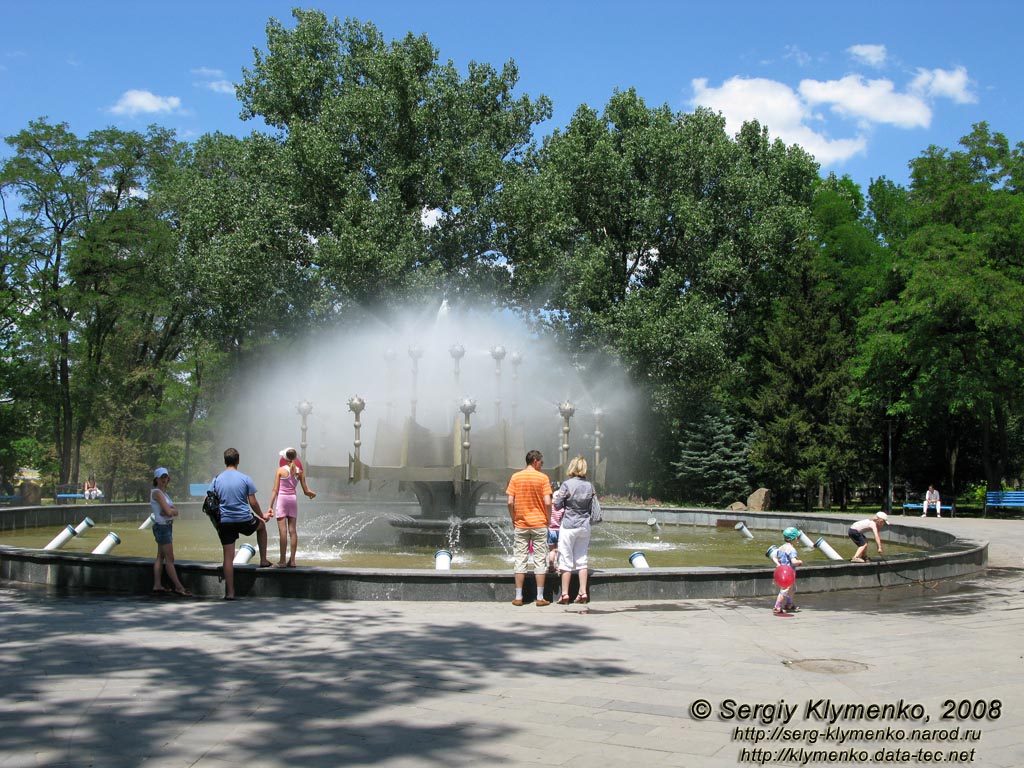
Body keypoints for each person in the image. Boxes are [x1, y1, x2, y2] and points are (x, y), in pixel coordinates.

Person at [213, 447, 273, 599]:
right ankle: (264, 560)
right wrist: (262, 515)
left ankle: (230, 592)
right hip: (244, 519)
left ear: (225, 461)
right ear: (238, 460)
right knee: (262, 526)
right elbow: (252, 502)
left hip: (225, 521)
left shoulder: (217, 479)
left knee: (228, 557)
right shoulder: (245, 478)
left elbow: (210, 500)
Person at [505, 449, 552, 606]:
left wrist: (514, 517)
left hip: (521, 524)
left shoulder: (515, 477)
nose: (542, 465)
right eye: (541, 462)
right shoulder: (543, 478)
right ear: (535, 461)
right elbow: (548, 502)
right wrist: (548, 518)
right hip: (539, 524)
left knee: (520, 559)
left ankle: (518, 597)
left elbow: (510, 502)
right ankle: (539, 597)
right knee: (540, 560)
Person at [553, 456, 601, 605]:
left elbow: (557, 505)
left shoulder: (566, 485)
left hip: (568, 526)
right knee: (581, 560)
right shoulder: (590, 486)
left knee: (565, 561)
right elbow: (593, 506)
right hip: (584, 526)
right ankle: (583, 592)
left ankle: (565, 594)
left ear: (572, 468)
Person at [269, 447, 317, 567]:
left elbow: (275, 490)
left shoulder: (280, 470)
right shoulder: (299, 472)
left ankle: (282, 561)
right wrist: (312, 494)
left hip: (282, 500)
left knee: (283, 531)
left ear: (284, 458)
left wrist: (270, 506)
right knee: (293, 531)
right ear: (295, 457)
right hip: (292, 500)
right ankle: (293, 561)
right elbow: (306, 491)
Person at [149, 467, 191, 596]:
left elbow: (174, 511)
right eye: (162, 477)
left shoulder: (164, 494)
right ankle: (179, 587)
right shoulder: (157, 492)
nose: (164, 480)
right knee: (170, 558)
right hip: (162, 527)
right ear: (156, 478)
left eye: (166, 477)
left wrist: (170, 511)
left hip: (165, 525)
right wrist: (170, 511)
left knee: (160, 556)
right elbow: (169, 512)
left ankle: (157, 585)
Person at [770, 527, 803, 614]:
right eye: (797, 537)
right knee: (785, 590)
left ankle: (789, 604)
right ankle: (777, 606)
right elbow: (793, 561)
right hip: (789, 574)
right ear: (795, 538)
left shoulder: (781, 548)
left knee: (791, 589)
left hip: (782, 574)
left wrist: (778, 564)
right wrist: (799, 562)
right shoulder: (792, 550)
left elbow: (774, 557)